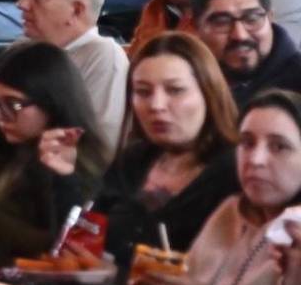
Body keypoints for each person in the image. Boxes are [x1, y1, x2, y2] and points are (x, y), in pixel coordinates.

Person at [133, 89, 301, 285]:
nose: (255, 159)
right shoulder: (230, 210)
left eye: (279, 146)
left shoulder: (295, 238)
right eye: (247, 143)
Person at [0, 41, 109, 267]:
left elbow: (60, 245)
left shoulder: (76, 161)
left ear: (52, 102)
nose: (0, 117)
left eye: (14, 105)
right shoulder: (13, 145)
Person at [85, 33, 239, 270]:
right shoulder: (132, 159)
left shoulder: (236, 173)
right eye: (143, 92)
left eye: (175, 90)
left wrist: (117, 275)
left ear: (209, 93)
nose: (156, 105)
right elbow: (86, 239)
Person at [16, 0, 129, 145]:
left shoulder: (103, 57)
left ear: (76, 10)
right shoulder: (22, 47)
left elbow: (96, 149)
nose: (22, 4)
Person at [188, 0, 301, 105]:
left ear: (270, 18)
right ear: (195, 28)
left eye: (252, 19)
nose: (240, 36)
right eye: (222, 22)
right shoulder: (182, 84)